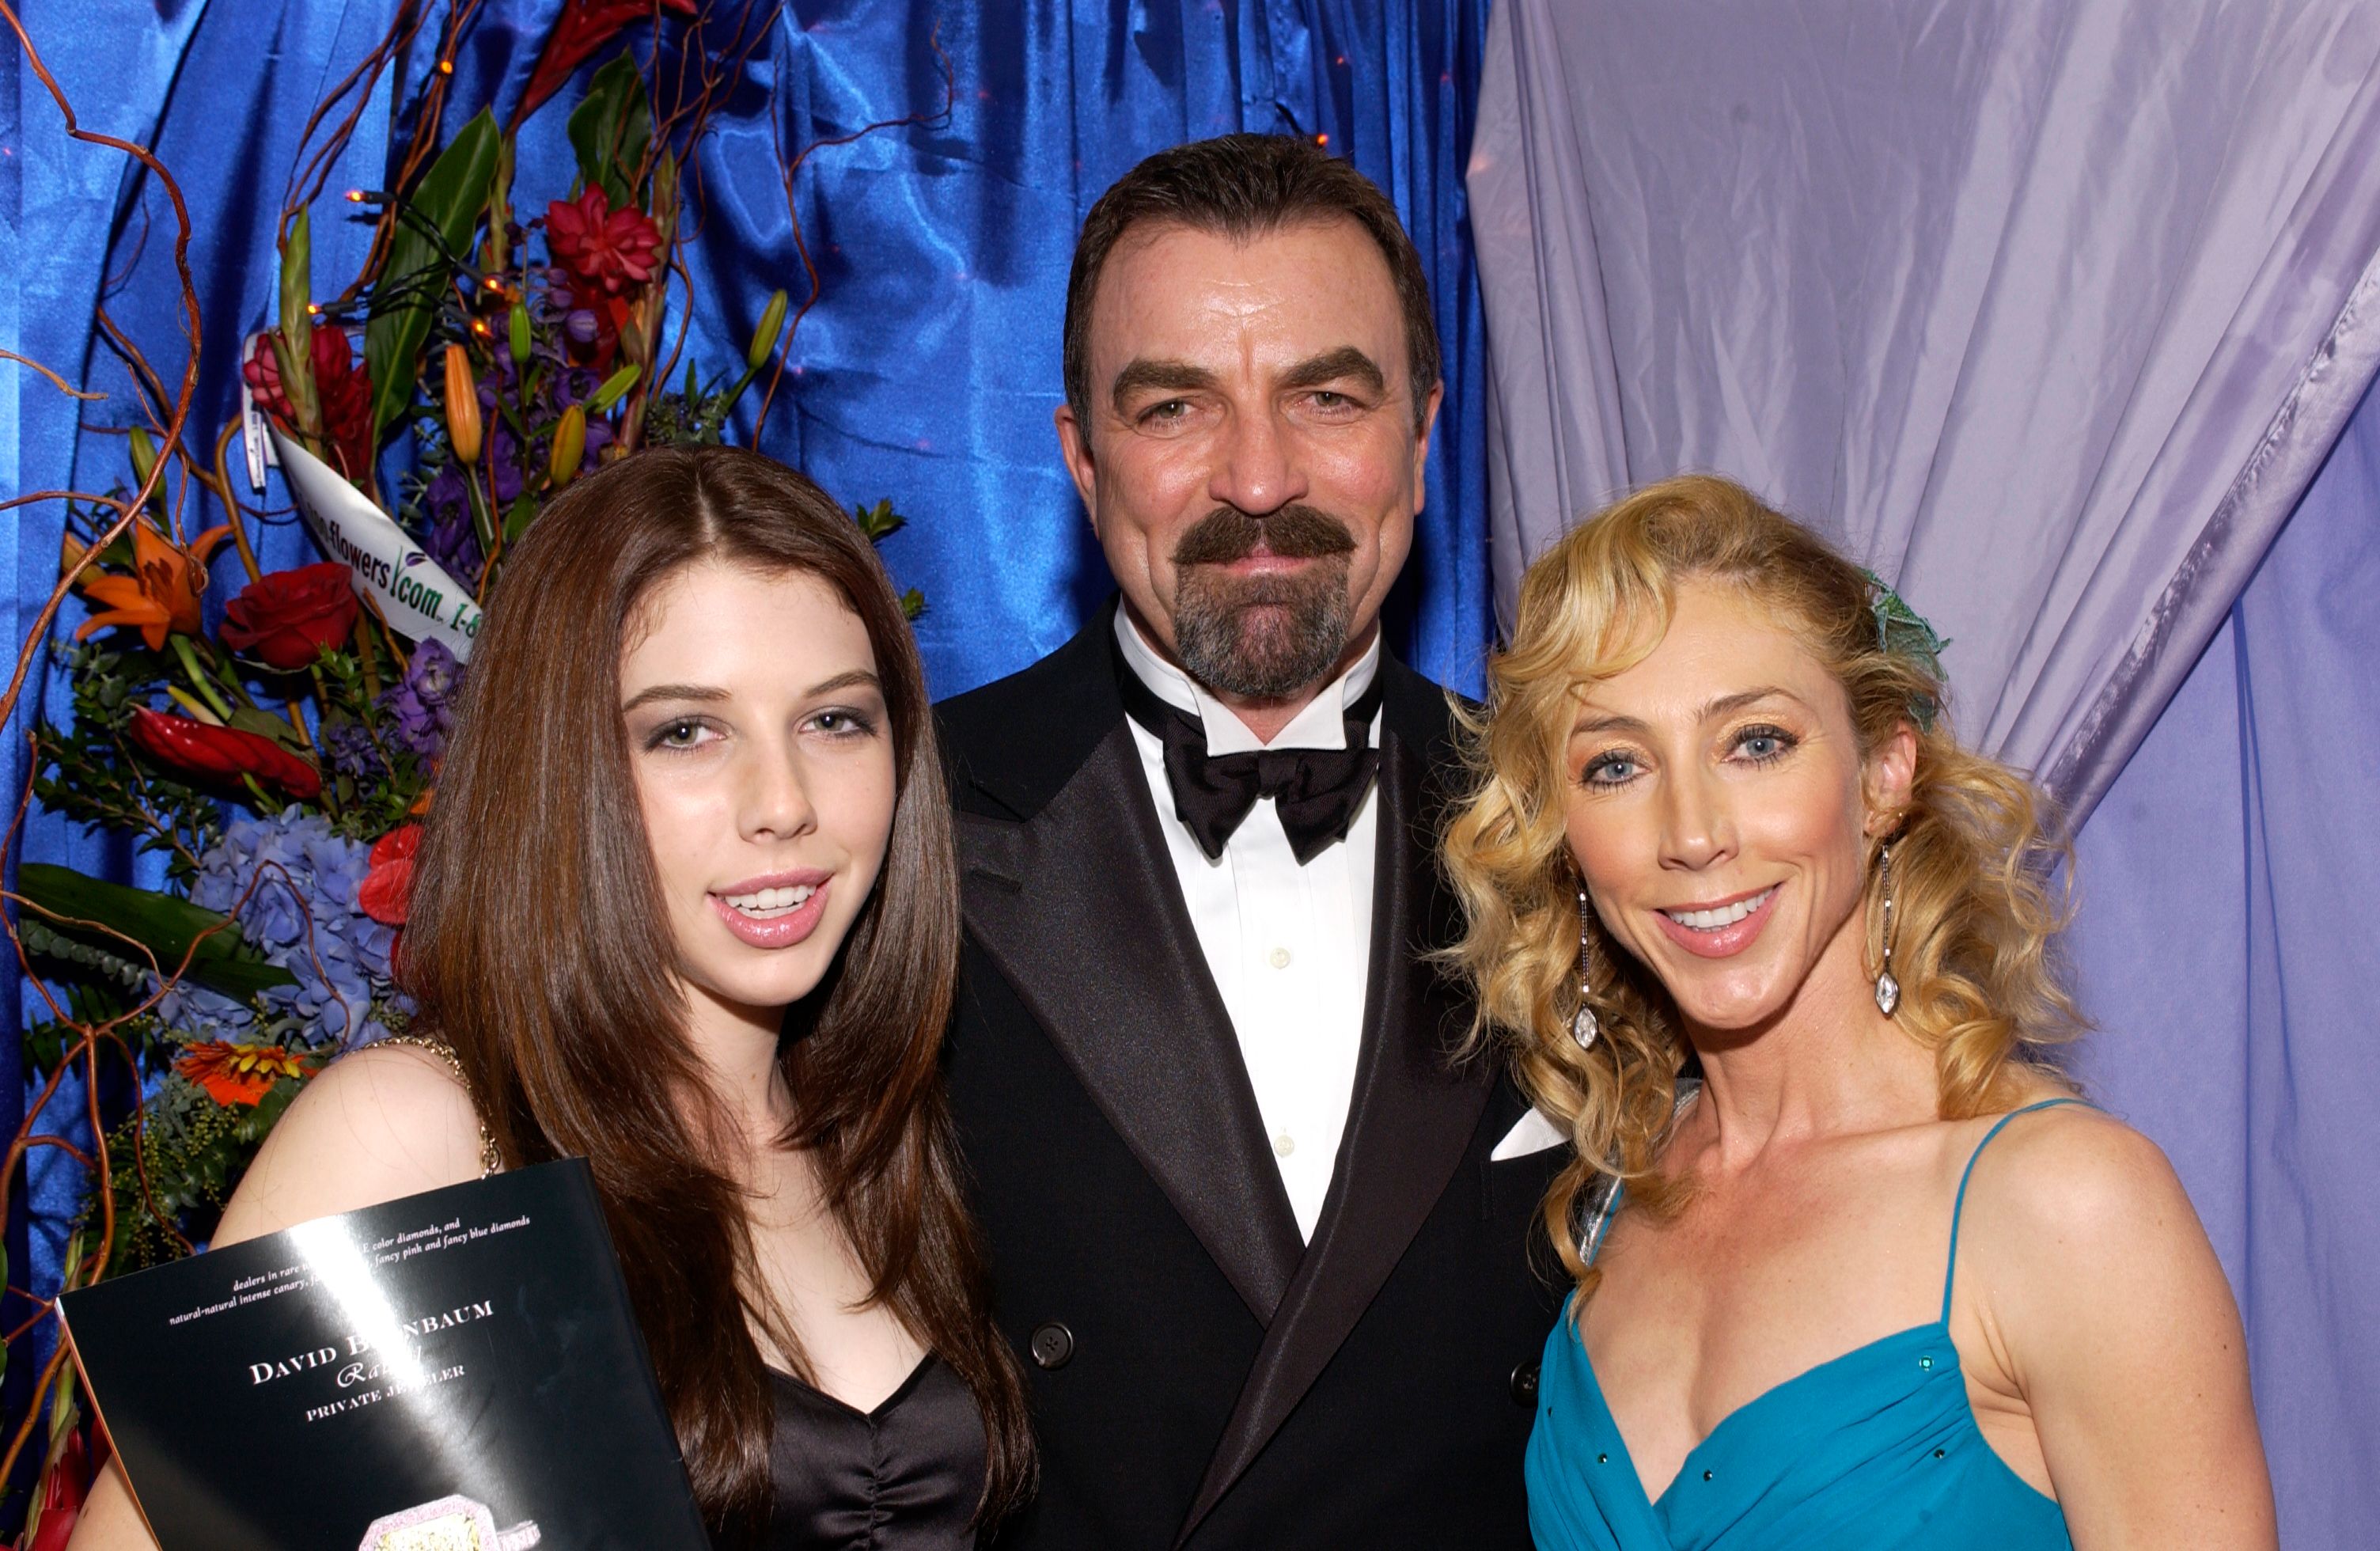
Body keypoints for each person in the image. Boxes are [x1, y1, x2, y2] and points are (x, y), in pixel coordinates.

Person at [70, 446, 1033, 1550]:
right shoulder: (418, 1132)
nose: (783, 804)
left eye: (834, 721)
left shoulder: (888, 1129)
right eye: (685, 732)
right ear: (559, 768)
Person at [1438, 474, 2277, 1549]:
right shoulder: (1613, 1198)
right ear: (1565, 833)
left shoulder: (2068, 1207)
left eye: (1755, 743)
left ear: (1885, 774)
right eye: (1616, 765)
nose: (1693, 833)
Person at [935, 133, 1566, 1550]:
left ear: (1420, 437)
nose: (1260, 477)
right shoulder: (892, 823)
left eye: (1327, 396)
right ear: (1081, 460)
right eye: (1176, 409)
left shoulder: (1582, 823)